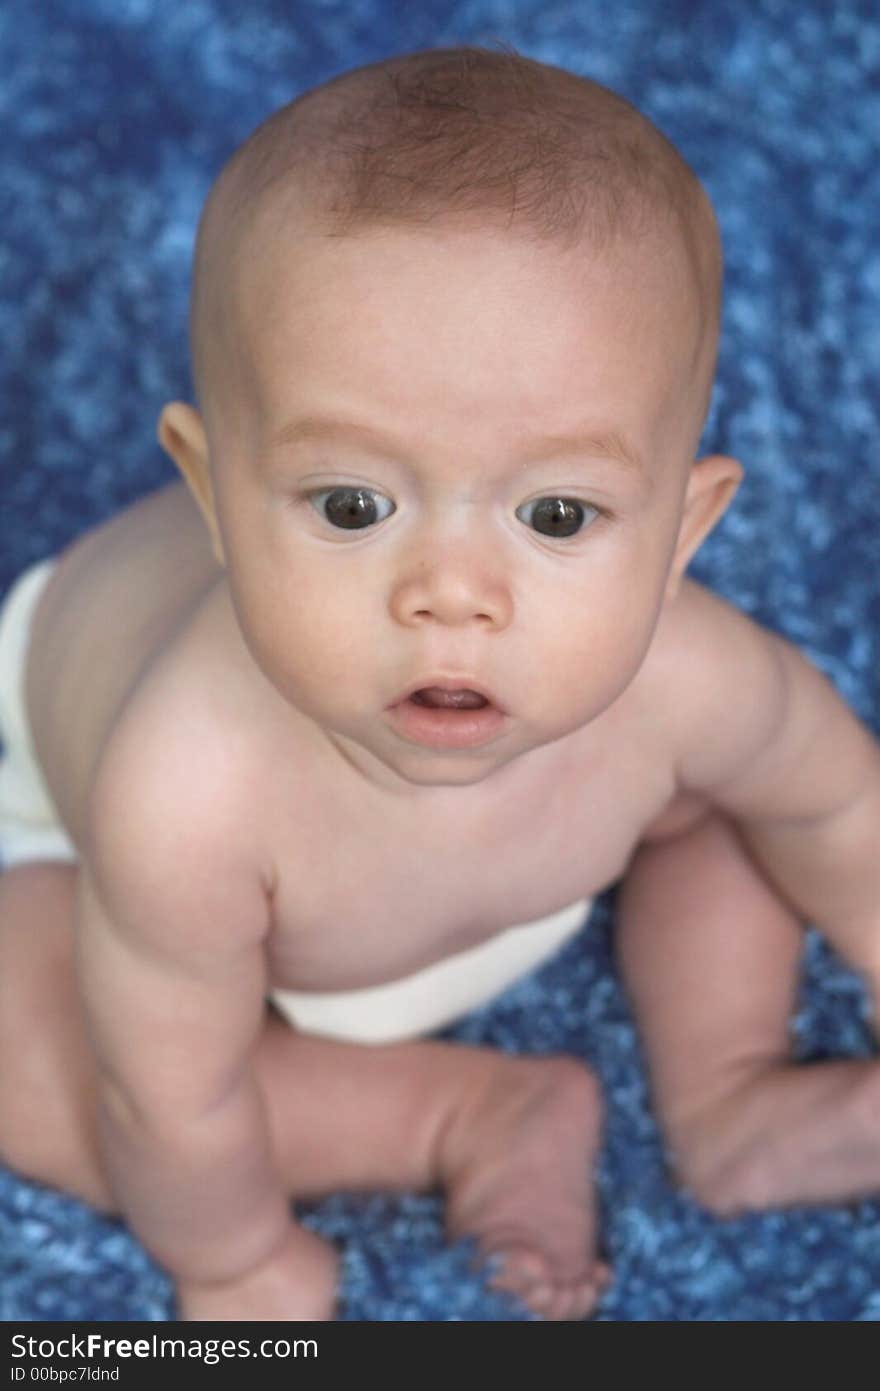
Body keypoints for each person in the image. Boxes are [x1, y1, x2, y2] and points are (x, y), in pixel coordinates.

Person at [0, 47, 877, 1323]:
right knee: (34, 1043)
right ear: (212, 495)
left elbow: (842, 812)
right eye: (353, 505)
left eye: (559, 512)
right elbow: (173, 1098)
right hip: (88, 843)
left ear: (684, 530)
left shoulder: (689, 677)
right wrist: (235, 1260)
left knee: (755, 807)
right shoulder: (183, 789)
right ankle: (464, 1111)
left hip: (501, 868)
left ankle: (729, 1095)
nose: (452, 593)